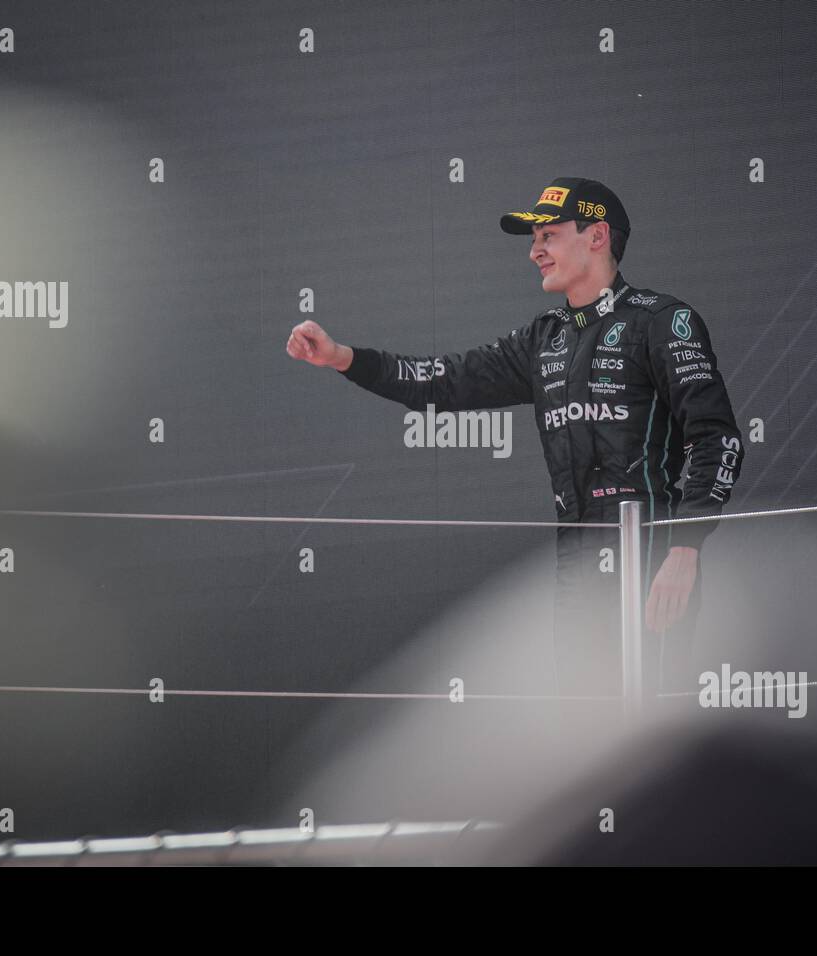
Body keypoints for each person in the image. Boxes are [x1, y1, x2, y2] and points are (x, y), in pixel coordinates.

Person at [286, 177, 744, 704]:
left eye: (548, 235)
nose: (534, 251)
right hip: (574, 558)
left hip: (649, 552)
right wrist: (343, 357)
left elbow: (716, 438)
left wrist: (685, 550)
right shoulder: (540, 339)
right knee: (581, 739)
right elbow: (442, 379)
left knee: (650, 732)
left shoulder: (663, 322)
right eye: (533, 239)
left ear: (596, 236)